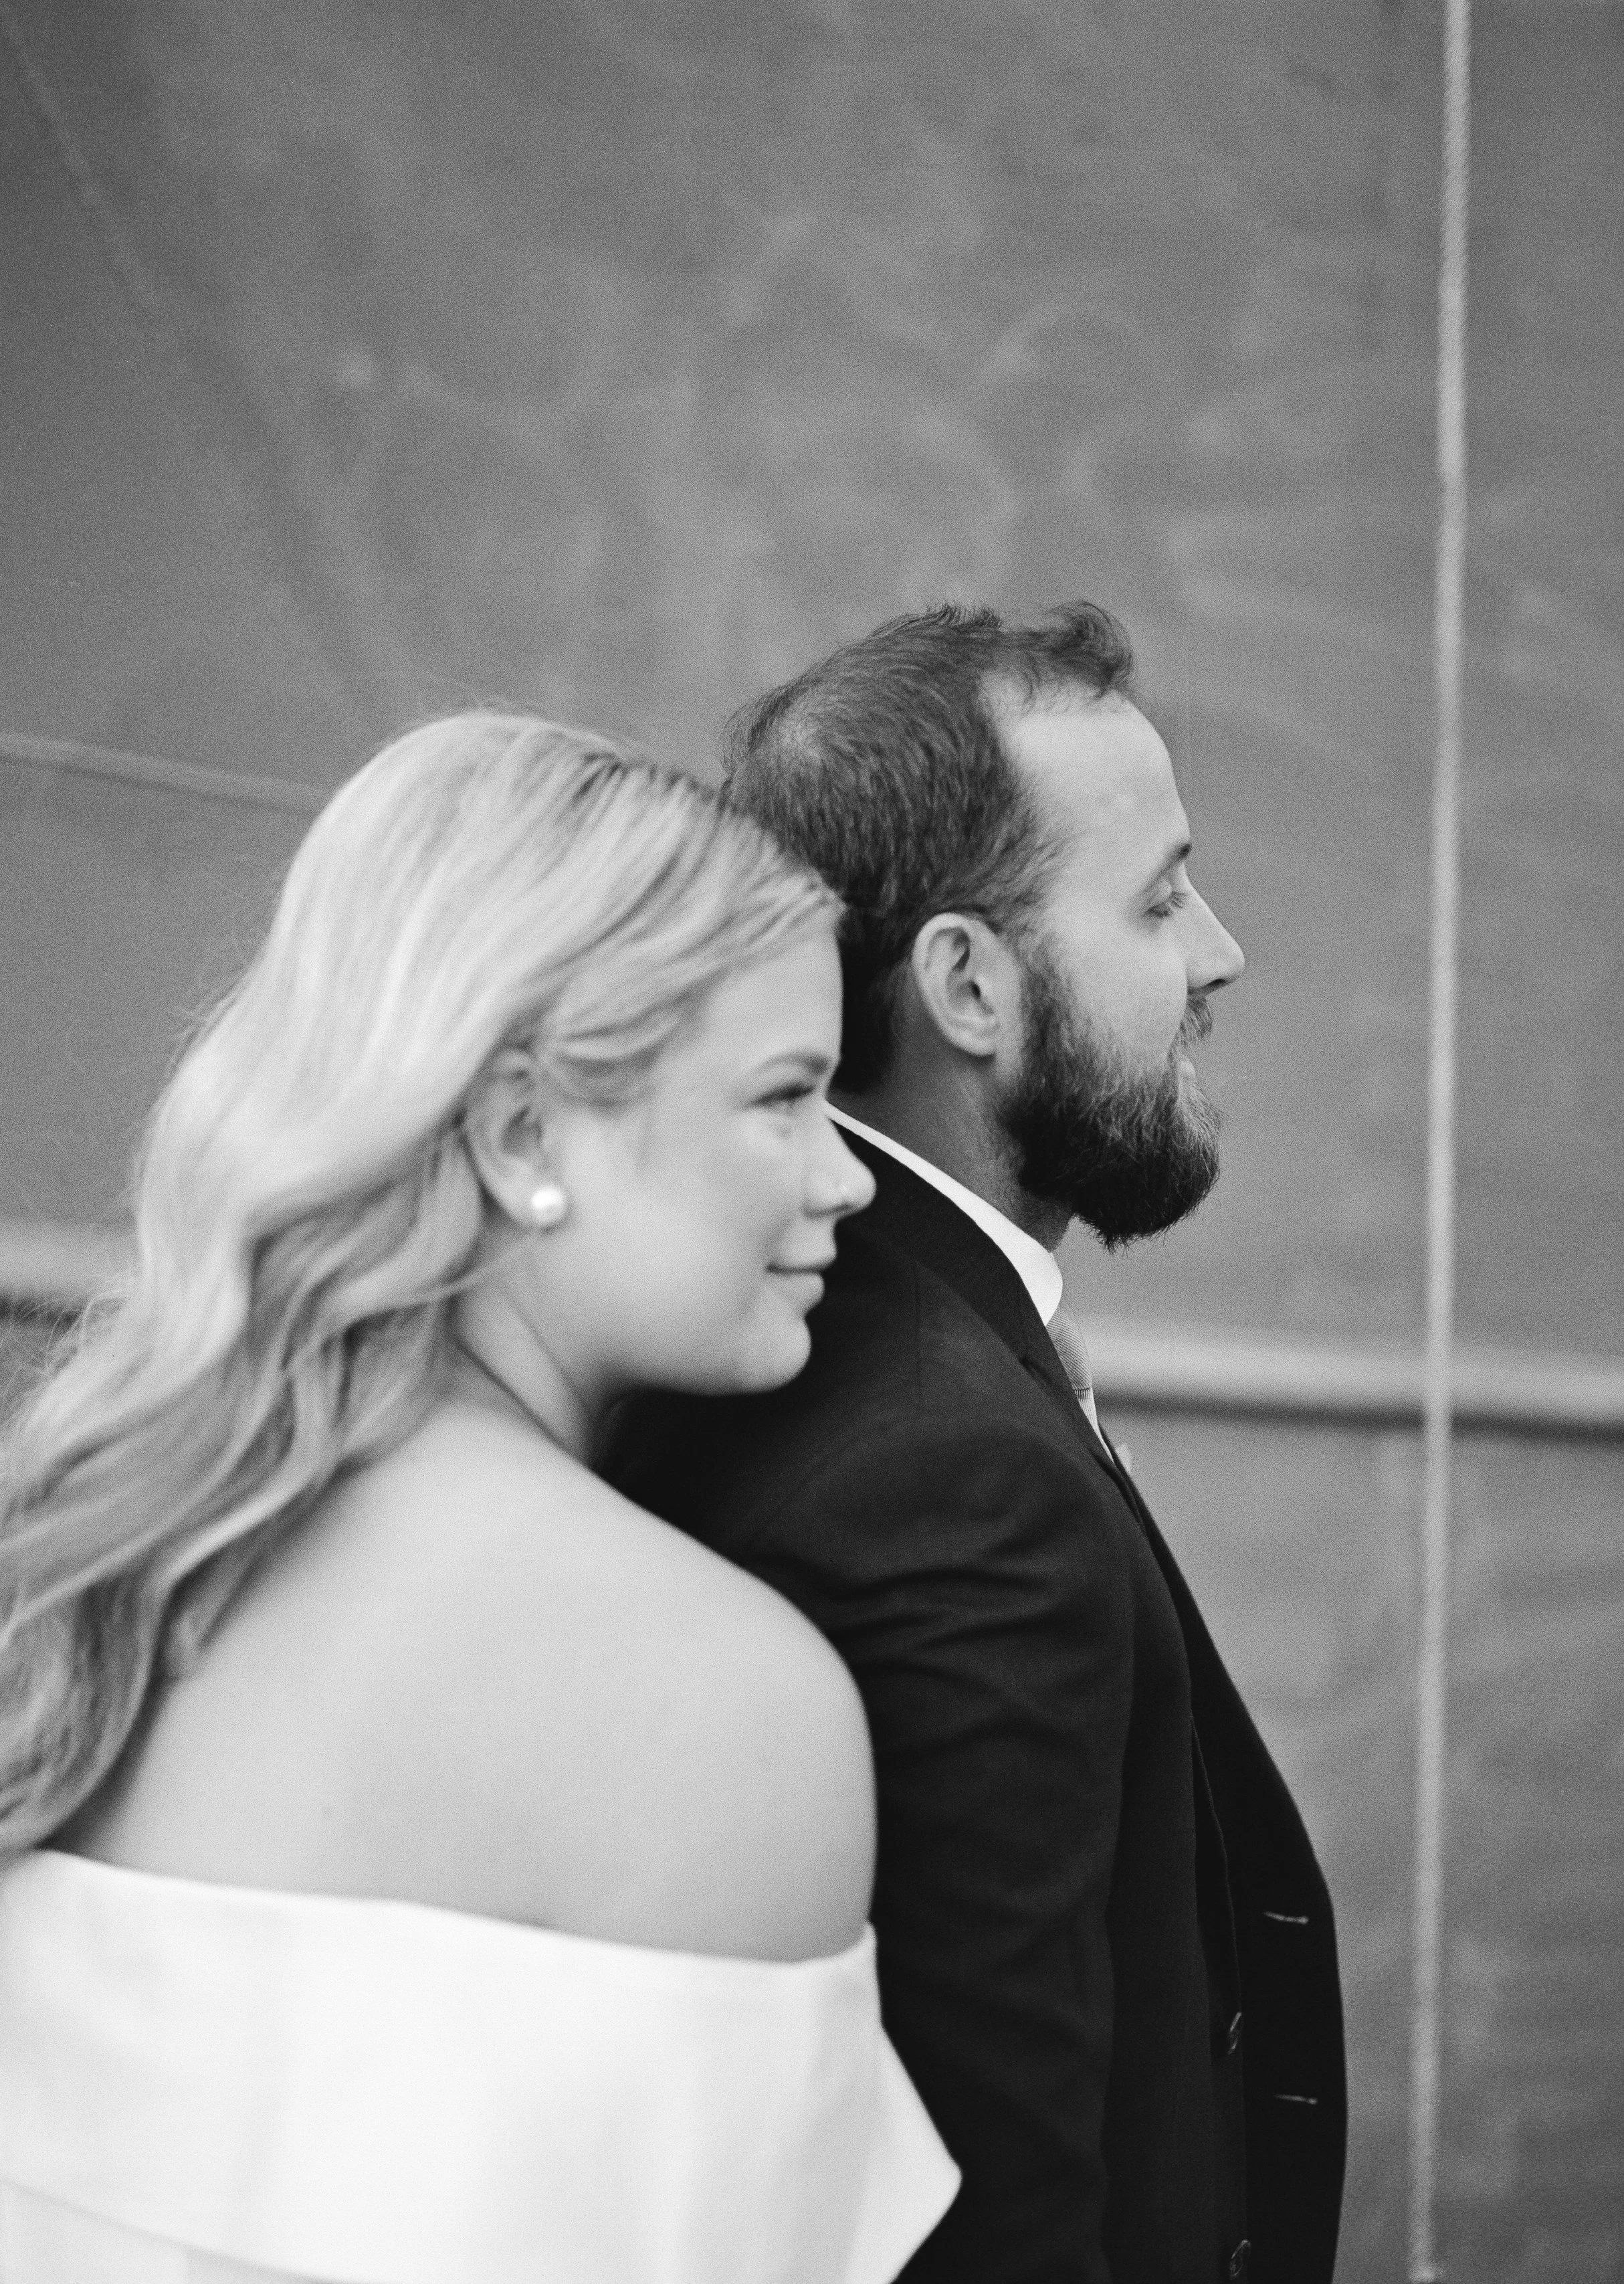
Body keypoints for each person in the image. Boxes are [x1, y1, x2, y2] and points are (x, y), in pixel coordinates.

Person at [0, 711, 959, 2283]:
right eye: (784, 1097)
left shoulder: (84, 1592)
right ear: (516, 1131)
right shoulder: (718, 1704)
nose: (844, 1179)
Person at [609, 605, 1348, 2284]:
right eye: (1157, 898)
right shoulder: (943, 1466)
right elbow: (987, 2203)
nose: (1218, 952)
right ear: (966, 983)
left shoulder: (889, 1351)